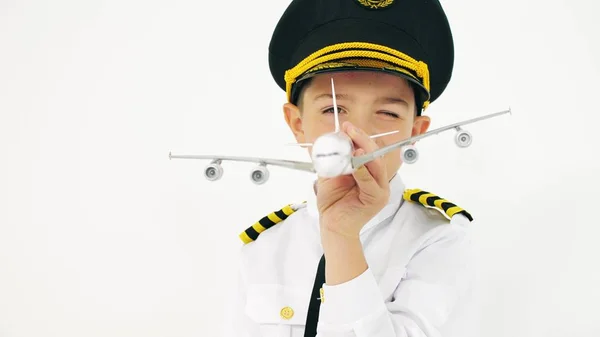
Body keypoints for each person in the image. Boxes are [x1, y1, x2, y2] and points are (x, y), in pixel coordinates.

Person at [225, 0, 476, 336]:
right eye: (332, 108)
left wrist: (342, 235)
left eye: (388, 113)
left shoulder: (440, 239)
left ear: (415, 131)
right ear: (297, 123)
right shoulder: (264, 248)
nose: (357, 135)